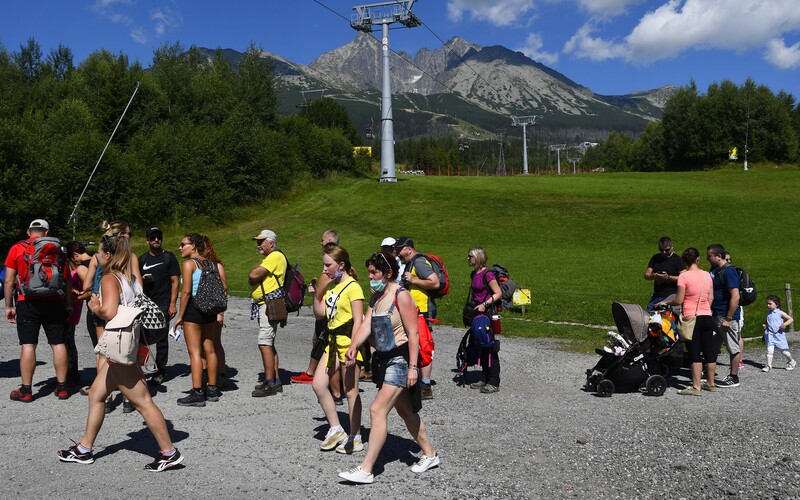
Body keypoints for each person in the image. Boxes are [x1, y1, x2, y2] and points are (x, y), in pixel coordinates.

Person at [57, 234, 183, 471]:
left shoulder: (109, 278)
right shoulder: (131, 277)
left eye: (99, 252)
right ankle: (84, 449)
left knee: (143, 401)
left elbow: (110, 312)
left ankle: (169, 452)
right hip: (128, 344)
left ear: (107, 255)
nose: (97, 257)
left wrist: (95, 306)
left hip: (119, 346)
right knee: (96, 394)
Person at [338, 252, 439, 484]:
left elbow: (413, 334)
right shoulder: (376, 297)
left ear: (388, 273)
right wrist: (354, 346)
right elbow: (365, 325)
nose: (370, 277)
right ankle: (430, 454)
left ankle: (366, 469)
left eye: (374, 272)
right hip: (383, 360)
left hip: (401, 360)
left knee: (377, 409)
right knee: (405, 411)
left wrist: (413, 368)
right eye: (369, 272)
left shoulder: (401, 296)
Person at [4, 219, 71, 401]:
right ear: (46, 232)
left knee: (28, 345)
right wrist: (68, 304)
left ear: (28, 232)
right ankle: (62, 387)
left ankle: (26, 391)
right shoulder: (59, 249)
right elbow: (66, 279)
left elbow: (9, 280)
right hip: (55, 301)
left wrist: (9, 305)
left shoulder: (17, 249)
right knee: (57, 343)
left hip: (27, 301)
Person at [83, 221, 143, 412]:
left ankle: (106, 397)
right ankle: (127, 398)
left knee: (104, 351)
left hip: (99, 304)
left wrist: (94, 300)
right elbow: (138, 287)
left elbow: (86, 285)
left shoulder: (97, 256)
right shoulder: (130, 257)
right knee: (124, 353)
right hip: (122, 311)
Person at [311, 245, 363, 451]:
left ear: (341, 265)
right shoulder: (332, 287)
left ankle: (355, 435)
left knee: (351, 392)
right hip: (331, 344)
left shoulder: (353, 287)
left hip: (347, 343)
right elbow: (320, 314)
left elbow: (359, 320)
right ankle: (336, 428)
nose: (324, 270)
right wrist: (317, 295)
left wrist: (354, 346)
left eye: (328, 265)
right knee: (318, 384)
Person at [657, 248, 716, 395]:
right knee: (709, 351)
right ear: (698, 259)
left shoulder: (684, 277)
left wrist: (666, 302)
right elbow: (710, 298)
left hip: (691, 317)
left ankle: (696, 387)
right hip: (707, 316)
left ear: (684, 262)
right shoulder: (707, 275)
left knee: (694, 353)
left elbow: (679, 299)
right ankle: (711, 383)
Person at [174, 233, 221, 407]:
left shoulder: (189, 264)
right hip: (209, 309)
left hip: (194, 309)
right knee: (209, 349)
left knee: (194, 352)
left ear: (193, 246)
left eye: (183, 244)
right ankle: (212, 388)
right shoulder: (211, 263)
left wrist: (180, 316)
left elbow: (185, 292)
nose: (180, 247)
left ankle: (197, 392)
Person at [291, 230, 341, 392]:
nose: (320, 243)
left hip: (327, 307)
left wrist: (315, 291)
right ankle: (316, 373)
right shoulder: (338, 261)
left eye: (323, 240)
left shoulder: (333, 263)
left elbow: (323, 285)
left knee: (320, 340)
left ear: (330, 242)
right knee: (320, 339)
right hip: (329, 306)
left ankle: (314, 374)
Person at [394, 237, 439, 400]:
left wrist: (414, 280)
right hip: (415, 309)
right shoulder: (410, 262)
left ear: (409, 248)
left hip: (422, 310)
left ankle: (425, 385)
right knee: (415, 344)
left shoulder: (419, 262)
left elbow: (434, 283)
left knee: (423, 345)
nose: (397, 253)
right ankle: (418, 382)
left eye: (400, 250)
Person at [139, 227, 180, 386]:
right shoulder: (142, 259)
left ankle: (160, 370)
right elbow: (135, 281)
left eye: (159, 237)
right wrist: (143, 280)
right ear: (147, 240)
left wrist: (172, 304)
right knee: (142, 337)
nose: (156, 240)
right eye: (153, 237)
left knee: (162, 338)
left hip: (163, 303)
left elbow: (175, 281)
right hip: (145, 303)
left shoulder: (168, 257)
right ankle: (139, 368)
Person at [248, 229, 287, 397]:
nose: (258, 245)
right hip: (267, 305)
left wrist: (252, 276)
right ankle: (274, 380)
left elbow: (253, 275)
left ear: (271, 243)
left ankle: (270, 383)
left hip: (269, 305)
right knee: (269, 343)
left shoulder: (275, 257)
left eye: (261, 241)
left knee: (264, 343)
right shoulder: (272, 258)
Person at [466, 247, 503, 394]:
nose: (468, 259)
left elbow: (498, 293)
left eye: (470, 257)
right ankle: (484, 376)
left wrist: (485, 304)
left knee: (489, 345)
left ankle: (494, 381)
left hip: (487, 314)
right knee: (478, 345)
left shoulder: (487, 275)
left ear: (478, 258)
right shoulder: (474, 273)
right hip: (477, 313)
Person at [707, 244, 742, 388]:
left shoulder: (729, 272)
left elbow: (735, 296)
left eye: (709, 256)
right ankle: (709, 374)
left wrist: (728, 318)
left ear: (718, 256)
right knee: (713, 346)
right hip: (716, 314)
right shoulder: (716, 270)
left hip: (726, 317)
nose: (707, 259)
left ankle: (734, 377)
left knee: (733, 347)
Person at [65, 241, 93, 389]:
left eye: (71, 259)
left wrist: (75, 297)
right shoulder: (94, 261)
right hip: (83, 307)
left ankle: (71, 376)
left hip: (81, 307)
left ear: (75, 255)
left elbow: (91, 291)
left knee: (68, 341)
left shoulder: (83, 267)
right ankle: (70, 374)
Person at [202, 236, 229, 387]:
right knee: (202, 344)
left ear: (208, 248)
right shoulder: (196, 265)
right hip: (200, 311)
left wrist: (220, 313)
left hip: (214, 309)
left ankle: (221, 373)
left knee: (215, 342)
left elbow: (224, 289)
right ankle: (206, 372)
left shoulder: (216, 266)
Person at [644, 236, 684, 311]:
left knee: (667, 318)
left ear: (672, 247)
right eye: (661, 250)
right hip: (657, 295)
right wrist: (654, 276)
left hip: (672, 295)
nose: (664, 252)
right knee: (650, 315)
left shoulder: (678, 260)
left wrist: (668, 277)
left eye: (666, 250)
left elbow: (685, 278)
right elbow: (646, 275)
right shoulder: (655, 258)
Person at [761, 295, 796, 372]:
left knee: (784, 351)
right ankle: (769, 365)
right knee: (769, 350)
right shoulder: (768, 313)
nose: (768, 305)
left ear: (776, 304)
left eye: (770, 304)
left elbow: (790, 319)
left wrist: (784, 324)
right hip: (770, 335)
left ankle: (791, 361)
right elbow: (769, 322)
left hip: (779, 335)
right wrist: (766, 325)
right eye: (767, 304)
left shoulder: (780, 313)